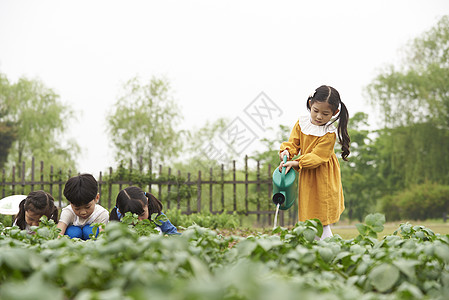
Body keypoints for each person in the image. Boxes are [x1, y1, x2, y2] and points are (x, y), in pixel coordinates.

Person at [278, 85, 350, 240]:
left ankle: (329, 248)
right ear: (310, 104)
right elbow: (293, 143)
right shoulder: (301, 123)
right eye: (316, 111)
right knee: (309, 213)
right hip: (308, 174)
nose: (319, 117)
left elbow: (318, 156)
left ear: (334, 113)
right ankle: (315, 248)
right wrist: (286, 152)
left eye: (325, 114)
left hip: (323, 176)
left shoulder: (329, 133)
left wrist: (296, 163)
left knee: (321, 216)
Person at [57, 173, 109, 240]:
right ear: (70, 203)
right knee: (73, 232)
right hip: (72, 242)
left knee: (90, 231)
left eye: (87, 207)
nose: (83, 212)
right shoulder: (68, 212)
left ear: (96, 198)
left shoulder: (101, 214)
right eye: (77, 208)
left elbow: (103, 237)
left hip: (93, 244)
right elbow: (59, 233)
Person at [109, 186, 179, 234]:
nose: (140, 220)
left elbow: (174, 235)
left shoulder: (156, 216)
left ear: (147, 202)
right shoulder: (117, 219)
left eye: (142, 214)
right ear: (120, 212)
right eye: (133, 217)